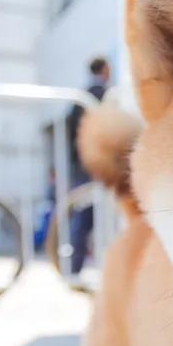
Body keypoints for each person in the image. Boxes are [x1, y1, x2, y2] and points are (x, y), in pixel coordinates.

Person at [65, 56, 110, 279]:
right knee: (86, 216)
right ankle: (75, 268)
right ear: (104, 69)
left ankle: (74, 267)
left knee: (83, 216)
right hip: (93, 165)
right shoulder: (98, 95)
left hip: (81, 164)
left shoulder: (81, 96)